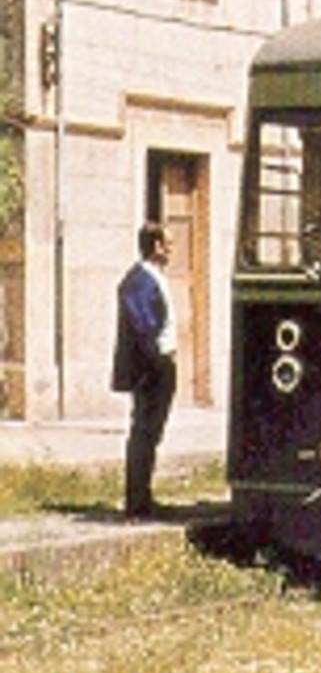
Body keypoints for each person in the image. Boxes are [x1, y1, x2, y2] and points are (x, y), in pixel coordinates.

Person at [111, 222, 177, 519]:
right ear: (156, 247)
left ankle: (144, 496)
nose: (171, 249)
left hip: (160, 363)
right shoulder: (138, 281)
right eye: (167, 244)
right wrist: (158, 362)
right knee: (143, 433)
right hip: (151, 368)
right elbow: (143, 328)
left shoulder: (155, 278)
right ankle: (135, 503)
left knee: (152, 434)